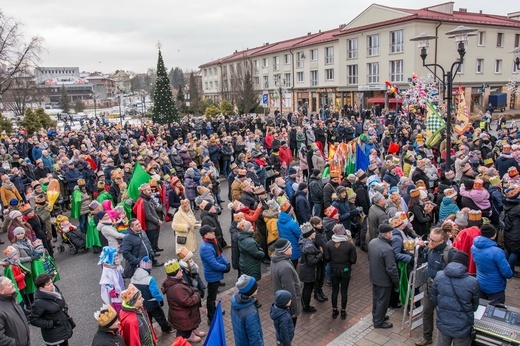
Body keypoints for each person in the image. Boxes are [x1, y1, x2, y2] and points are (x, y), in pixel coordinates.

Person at [415, 227, 457, 346]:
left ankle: (443, 341)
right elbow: (422, 260)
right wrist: (421, 249)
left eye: (433, 241)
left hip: (444, 290)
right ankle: (427, 337)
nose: (430, 242)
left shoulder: (450, 253)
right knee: (427, 312)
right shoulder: (430, 249)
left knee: (443, 316)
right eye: (430, 239)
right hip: (431, 286)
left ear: (442, 241)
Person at [430, 252, 480, 345]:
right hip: (462, 326)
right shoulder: (472, 282)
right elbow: (475, 306)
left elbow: (433, 297)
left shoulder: (439, 275)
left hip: (443, 321)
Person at [162, 259, 203, 343]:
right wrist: (197, 294)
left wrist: (193, 290)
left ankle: (189, 337)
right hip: (184, 318)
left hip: (182, 316)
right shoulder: (177, 288)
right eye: (179, 270)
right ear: (175, 273)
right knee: (182, 336)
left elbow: (187, 288)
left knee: (184, 333)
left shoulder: (175, 281)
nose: (181, 270)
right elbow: (188, 301)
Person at [471, 224, 513, 304]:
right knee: (496, 311)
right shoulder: (497, 252)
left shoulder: (474, 247)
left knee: (482, 308)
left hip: (480, 283)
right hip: (495, 287)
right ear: (494, 235)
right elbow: (507, 273)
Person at [368, 224, 399, 329]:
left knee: (376, 298)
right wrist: (396, 282)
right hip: (384, 280)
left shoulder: (372, 242)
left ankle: (377, 316)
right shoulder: (388, 249)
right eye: (391, 232)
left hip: (374, 276)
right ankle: (378, 322)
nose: (392, 234)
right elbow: (391, 269)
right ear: (387, 234)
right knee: (382, 301)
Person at [323, 224, 357, 320]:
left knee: (335, 290)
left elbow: (327, 258)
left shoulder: (329, 244)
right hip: (345, 270)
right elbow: (353, 260)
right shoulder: (350, 245)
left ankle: (334, 311)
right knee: (344, 291)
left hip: (334, 270)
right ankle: (343, 311)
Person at [131, 256, 173, 334]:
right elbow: (155, 292)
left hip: (141, 304)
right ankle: (166, 329)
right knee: (160, 317)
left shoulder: (133, 278)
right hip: (152, 303)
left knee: (147, 319)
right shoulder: (150, 279)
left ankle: (150, 333)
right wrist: (160, 300)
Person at [30, 273, 74, 346]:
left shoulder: (54, 291)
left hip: (63, 328)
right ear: (41, 288)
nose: (52, 286)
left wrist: (65, 309)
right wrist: (51, 323)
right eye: (48, 285)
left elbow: (62, 302)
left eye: (51, 283)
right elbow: (33, 320)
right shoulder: (38, 303)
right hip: (52, 334)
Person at [199, 224, 230, 324]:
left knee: (213, 295)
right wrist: (225, 268)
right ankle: (211, 317)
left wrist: (227, 263)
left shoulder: (212, 242)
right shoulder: (206, 248)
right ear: (206, 235)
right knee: (211, 297)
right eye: (211, 232)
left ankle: (214, 311)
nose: (214, 233)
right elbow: (213, 264)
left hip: (215, 274)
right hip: (212, 275)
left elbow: (220, 255)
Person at [270, 238, 302, 327]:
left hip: (280, 301)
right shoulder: (285, 267)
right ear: (284, 250)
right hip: (287, 307)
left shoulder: (276, 258)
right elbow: (290, 289)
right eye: (289, 247)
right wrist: (294, 310)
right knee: (289, 332)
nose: (291, 248)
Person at [231, 274, 264, 346]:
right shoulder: (251, 313)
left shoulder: (234, 299)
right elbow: (255, 340)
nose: (258, 287)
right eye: (255, 287)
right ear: (250, 291)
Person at [298, 222, 323, 314]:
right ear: (309, 235)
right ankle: (306, 306)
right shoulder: (309, 247)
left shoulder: (303, 241)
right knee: (308, 289)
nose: (315, 233)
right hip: (309, 271)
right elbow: (312, 261)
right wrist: (321, 253)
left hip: (304, 269)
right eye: (313, 232)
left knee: (306, 288)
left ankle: (304, 304)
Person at [0, 275, 31, 346]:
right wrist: (17, 343)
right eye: (9, 284)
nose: (13, 284)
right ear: (1, 291)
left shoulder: (11, 299)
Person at [277, 201, 302, 268]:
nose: (293, 208)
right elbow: (299, 235)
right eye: (291, 208)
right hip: (293, 246)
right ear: (288, 210)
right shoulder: (292, 223)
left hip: (284, 245)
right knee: (293, 265)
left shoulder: (278, 220)